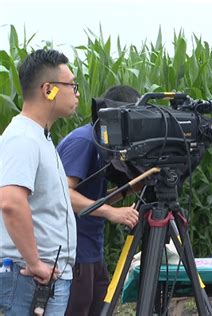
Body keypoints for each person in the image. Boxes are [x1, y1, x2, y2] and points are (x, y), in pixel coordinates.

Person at [0, 49, 78, 315]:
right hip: (30, 280)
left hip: (42, 280)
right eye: (71, 84)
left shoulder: (39, 136)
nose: (77, 93)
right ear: (48, 89)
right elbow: (10, 202)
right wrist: (35, 263)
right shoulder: (23, 138)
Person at [57, 85, 140, 315]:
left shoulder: (105, 142)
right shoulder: (85, 140)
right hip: (74, 252)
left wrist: (131, 188)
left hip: (93, 250)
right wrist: (112, 213)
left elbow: (94, 197)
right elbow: (64, 194)